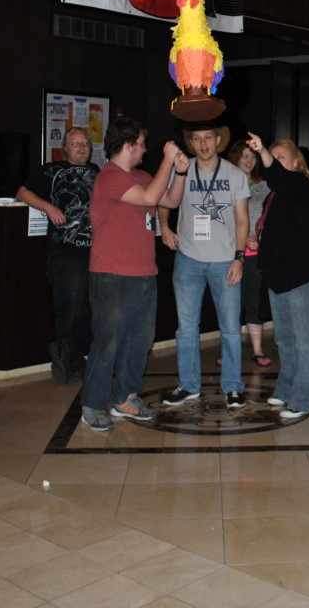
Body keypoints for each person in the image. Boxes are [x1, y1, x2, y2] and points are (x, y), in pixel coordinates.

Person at [80, 117, 182, 432]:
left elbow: (170, 200)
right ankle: (92, 405)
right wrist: (167, 160)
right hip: (111, 275)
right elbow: (150, 198)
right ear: (128, 145)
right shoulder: (110, 176)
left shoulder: (141, 176)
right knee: (107, 342)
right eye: (141, 144)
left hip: (144, 274)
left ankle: (125, 398)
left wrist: (179, 172)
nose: (145, 150)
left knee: (140, 341)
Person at [160, 122, 250, 409]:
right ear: (191, 142)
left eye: (208, 138)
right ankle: (188, 385)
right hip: (188, 260)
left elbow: (243, 219)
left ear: (218, 139)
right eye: (197, 139)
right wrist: (164, 227)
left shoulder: (235, 174)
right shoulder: (182, 169)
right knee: (186, 328)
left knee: (231, 329)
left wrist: (239, 258)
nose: (203, 144)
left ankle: (233, 386)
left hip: (225, 262)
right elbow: (163, 199)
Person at [246, 133, 309, 419]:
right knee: (284, 339)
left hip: (304, 275)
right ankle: (286, 389)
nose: (275, 161)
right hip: (279, 276)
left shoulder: (301, 184)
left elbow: (280, 177)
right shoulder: (274, 194)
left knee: (305, 342)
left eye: (281, 156)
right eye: (273, 156)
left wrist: (263, 151)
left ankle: (304, 400)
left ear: (297, 163)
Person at [16, 127, 99, 385]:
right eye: (75, 143)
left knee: (87, 310)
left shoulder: (96, 171)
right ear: (65, 148)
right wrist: (48, 207)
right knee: (70, 308)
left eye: (85, 143)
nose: (81, 147)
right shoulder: (51, 170)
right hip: (66, 252)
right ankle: (66, 362)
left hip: (95, 252)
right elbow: (22, 192)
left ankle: (79, 361)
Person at [230, 139, 272, 367]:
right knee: (231, 304)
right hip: (229, 254)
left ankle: (257, 350)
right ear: (235, 158)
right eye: (244, 155)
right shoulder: (225, 184)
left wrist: (260, 240)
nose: (249, 160)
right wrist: (241, 237)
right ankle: (229, 351)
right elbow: (221, 219)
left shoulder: (264, 186)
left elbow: (271, 219)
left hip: (256, 255)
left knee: (254, 302)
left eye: (253, 156)